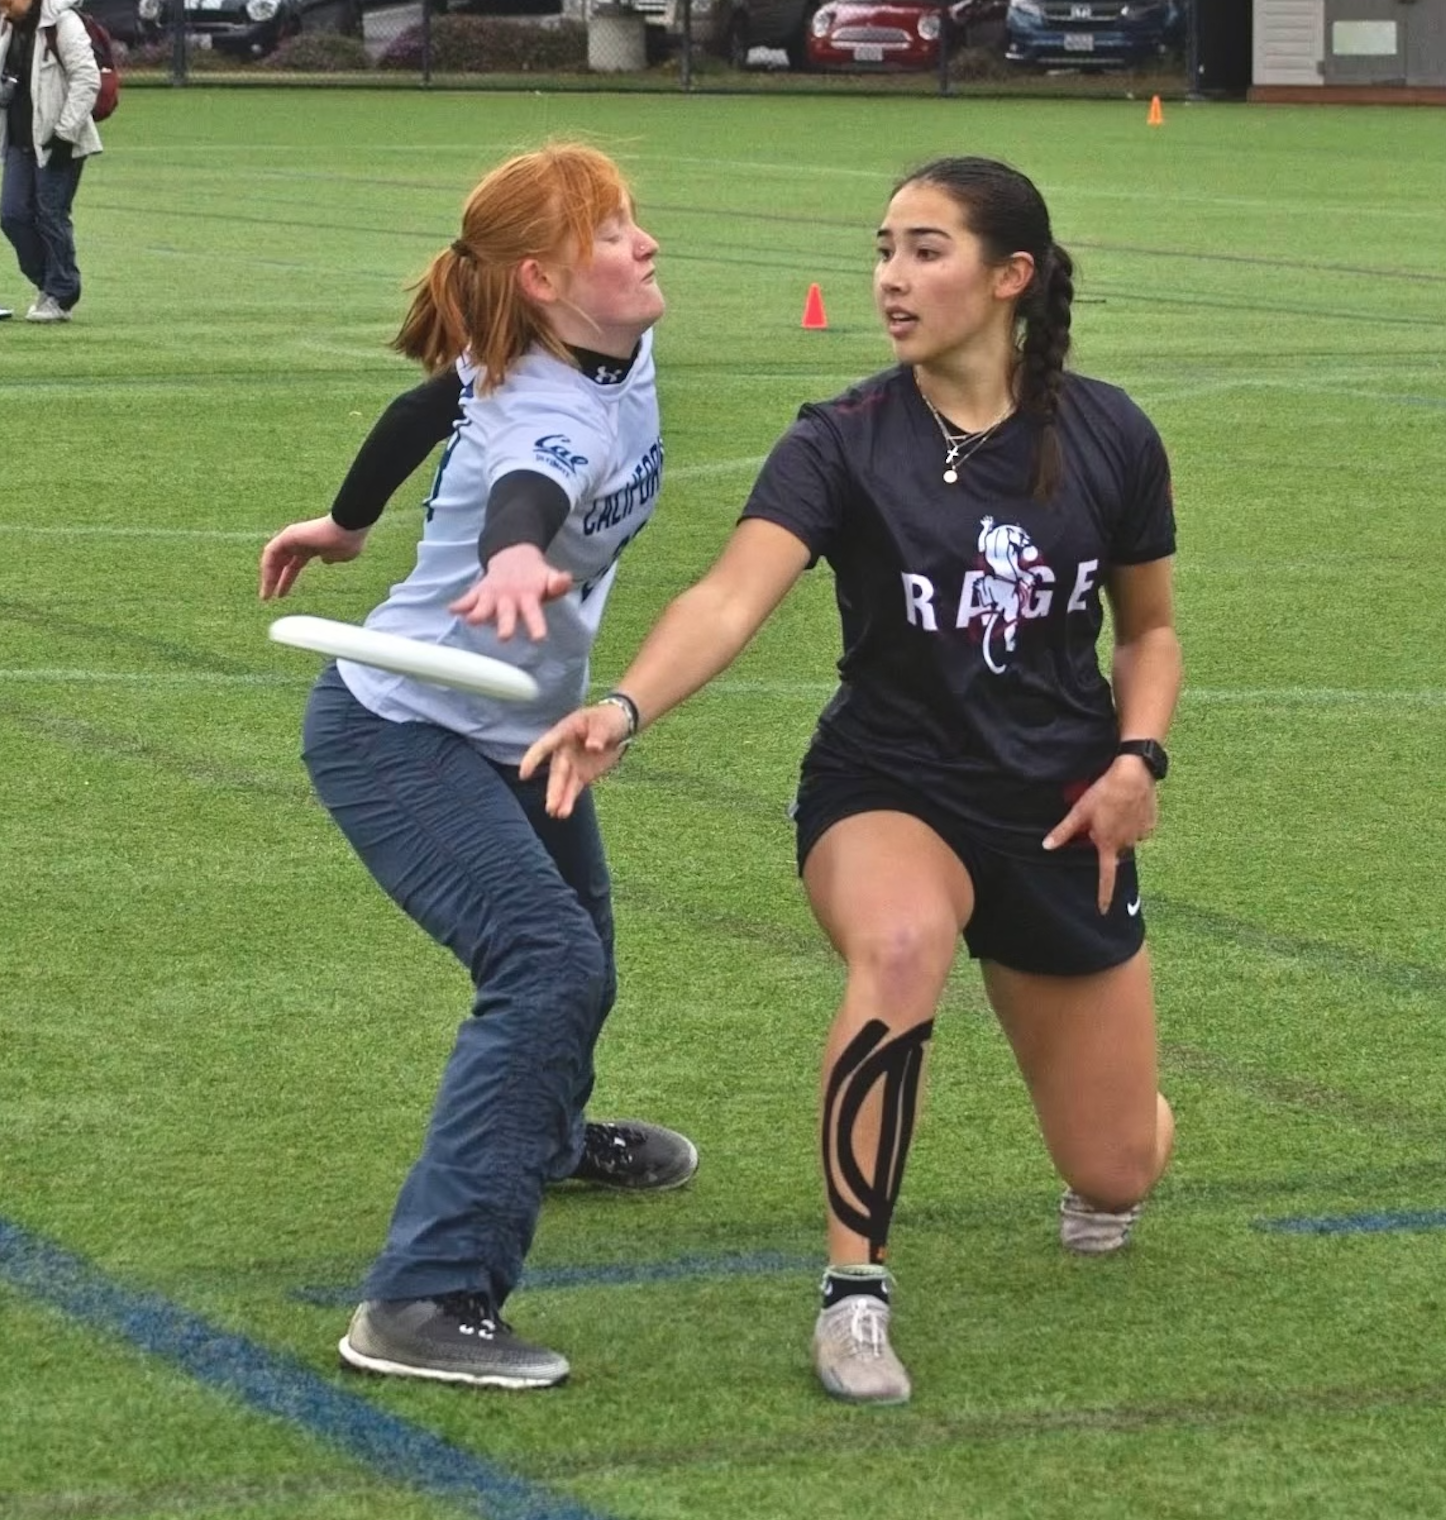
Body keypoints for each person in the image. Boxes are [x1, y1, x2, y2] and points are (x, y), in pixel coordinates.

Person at [522, 156, 1181, 1407]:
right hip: (889, 784)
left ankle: (1122, 1137)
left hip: (1058, 813)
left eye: (926, 250)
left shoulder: (1109, 434)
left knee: (1116, 1166)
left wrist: (1136, 758)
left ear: (1012, 276)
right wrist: (623, 706)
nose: (891, 277)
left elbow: (1148, 631)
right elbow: (730, 595)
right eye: (884, 248)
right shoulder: (842, 438)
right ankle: (854, 1294)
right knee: (901, 942)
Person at [258, 143, 697, 1392]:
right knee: (547, 960)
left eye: (632, 220)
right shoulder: (551, 409)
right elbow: (524, 481)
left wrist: (346, 524)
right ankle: (426, 1294)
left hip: (513, 729)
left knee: (581, 948)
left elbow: (432, 403)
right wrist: (511, 555)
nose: (645, 244)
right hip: (401, 729)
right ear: (543, 280)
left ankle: (541, 1138)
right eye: (611, 233)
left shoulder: (598, 345)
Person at [0, 0, 100, 324]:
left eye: (6, 3)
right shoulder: (8, 28)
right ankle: (51, 283)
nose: (3, 9)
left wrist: (66, 132)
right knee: (12, 214)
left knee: (51, 215)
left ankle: (61, 294)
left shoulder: (64, 23)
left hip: (57, 139)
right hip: (19, 139)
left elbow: (87, 79)